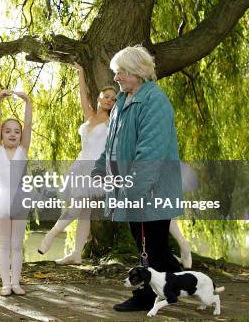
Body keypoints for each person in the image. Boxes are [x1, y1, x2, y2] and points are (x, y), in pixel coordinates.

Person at [91, 46, 184, 311]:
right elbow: (112, 144)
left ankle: (147, 296)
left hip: (148, 190)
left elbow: (150, 153)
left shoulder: (155, 101)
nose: (116, 77)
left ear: (138, 72)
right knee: (154, 246)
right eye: (116, 72)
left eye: (120, 72)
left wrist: (134, 192)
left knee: (149, 246)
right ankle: (178, 284)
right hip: (128, 188)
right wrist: (99, 169)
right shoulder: (122, 101)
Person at [38, 64, 116, 263]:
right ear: (99, 98)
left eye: (114, 98)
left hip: (96, 170)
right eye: (106, 96)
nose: (110, 100)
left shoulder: (112, 121)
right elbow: (83, 94)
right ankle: (76, 254)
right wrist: (81, 72)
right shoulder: (89, 116)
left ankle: (52, 234)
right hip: (80, 165)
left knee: (79, 205)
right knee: (84, 212)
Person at [0, 90, 32, 295]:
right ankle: (5, 283)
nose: (12, 134)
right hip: (1, 198)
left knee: (17, 244)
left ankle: (16, 282)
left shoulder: (23, 150)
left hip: (20, 197)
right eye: (8, 131)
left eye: (16, 131)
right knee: (4, 243)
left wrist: (28, 102)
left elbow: (29, 125)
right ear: (1, 135)